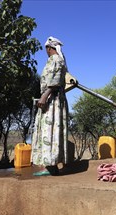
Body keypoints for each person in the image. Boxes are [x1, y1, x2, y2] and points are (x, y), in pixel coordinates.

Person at [31, 36, 69, 176]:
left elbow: (56, 81)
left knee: (50, 130)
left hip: (53, 100)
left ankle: (52, 166)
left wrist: (44, 96)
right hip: (50, 98)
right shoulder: (53, 60)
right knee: (47, 131)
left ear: (49, 48)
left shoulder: (57, 60)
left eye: (46, 49)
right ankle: (49, 165)